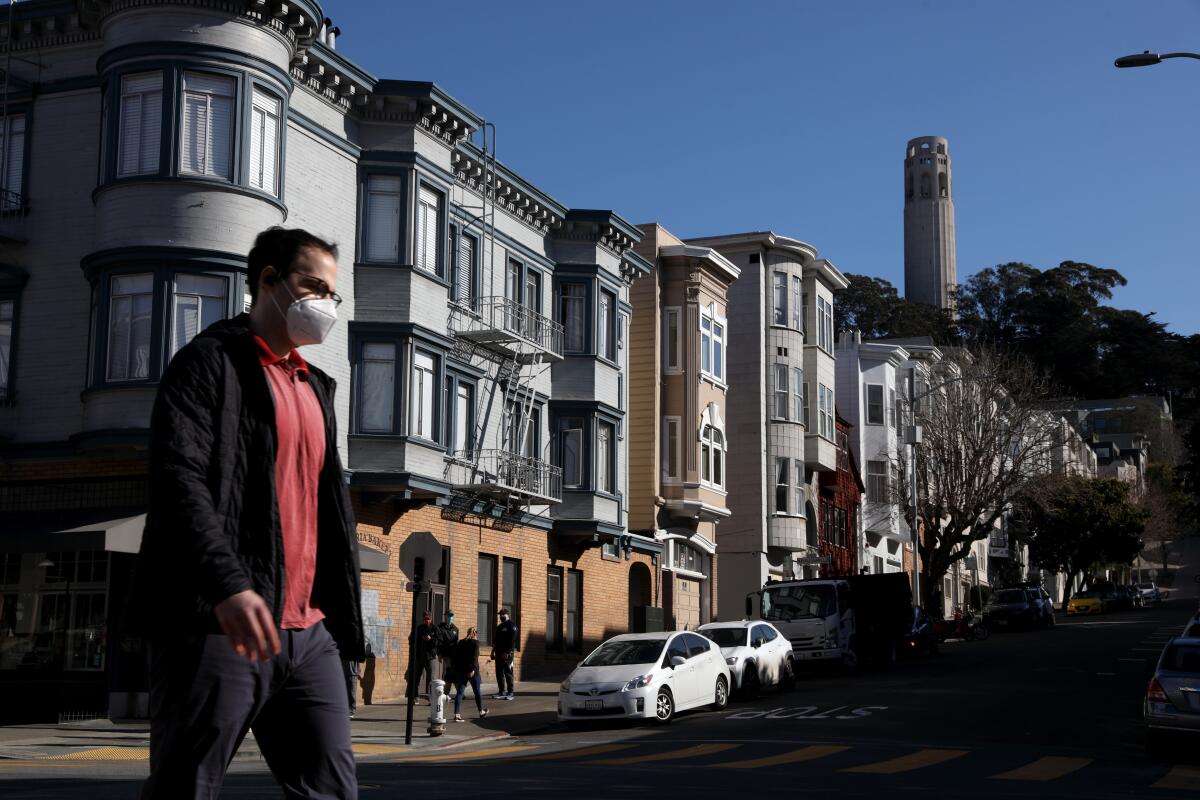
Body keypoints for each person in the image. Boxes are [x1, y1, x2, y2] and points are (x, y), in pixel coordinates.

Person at [131, 227, 363, 799]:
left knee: (331, 791)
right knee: (187, 788)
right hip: (219, 625)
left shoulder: (318, 388)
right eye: (313, 286)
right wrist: (227, 585)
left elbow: (327, 511)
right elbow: (177, 480)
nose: (324, 304)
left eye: (332, 294)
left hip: (310, 634)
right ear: (268, 281)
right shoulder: (209, 364)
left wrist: (342, 622)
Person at [449, 627, 489, 722]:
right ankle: (481, 711)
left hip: (461, 671)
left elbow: (456, 656)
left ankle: (457, 714)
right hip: (472, 671)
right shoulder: (475, 643)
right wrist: (473, 670)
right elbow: (474, 657)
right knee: (477, 692)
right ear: (475, 634)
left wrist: (456, 668)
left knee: (459, 692)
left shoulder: (461, 642)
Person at [491, 608, 518, 700]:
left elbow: (512, 641)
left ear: (507, 615)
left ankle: (510, 692)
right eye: (500, 615)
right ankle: (501, 691)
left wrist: (507, 652)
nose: (501, 616)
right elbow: (496, 641)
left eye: (503, 614)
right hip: (498, 652)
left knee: (508, 672)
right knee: (499, 672)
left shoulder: (512, 626)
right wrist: (492, 651)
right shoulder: (499, 627)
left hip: (507, 653)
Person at [411, 611, 438, 701]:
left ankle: (432, 697)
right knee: (417, 676)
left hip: (430, 657)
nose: (427, 620)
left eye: (428, 619)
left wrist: (431, 639)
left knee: (432, 678)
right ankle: (415, 696)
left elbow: (439, 641)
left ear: (431, 619)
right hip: (420, 656)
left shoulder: (435, 628)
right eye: (425, 619)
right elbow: (412, 640)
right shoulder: (419, 628)